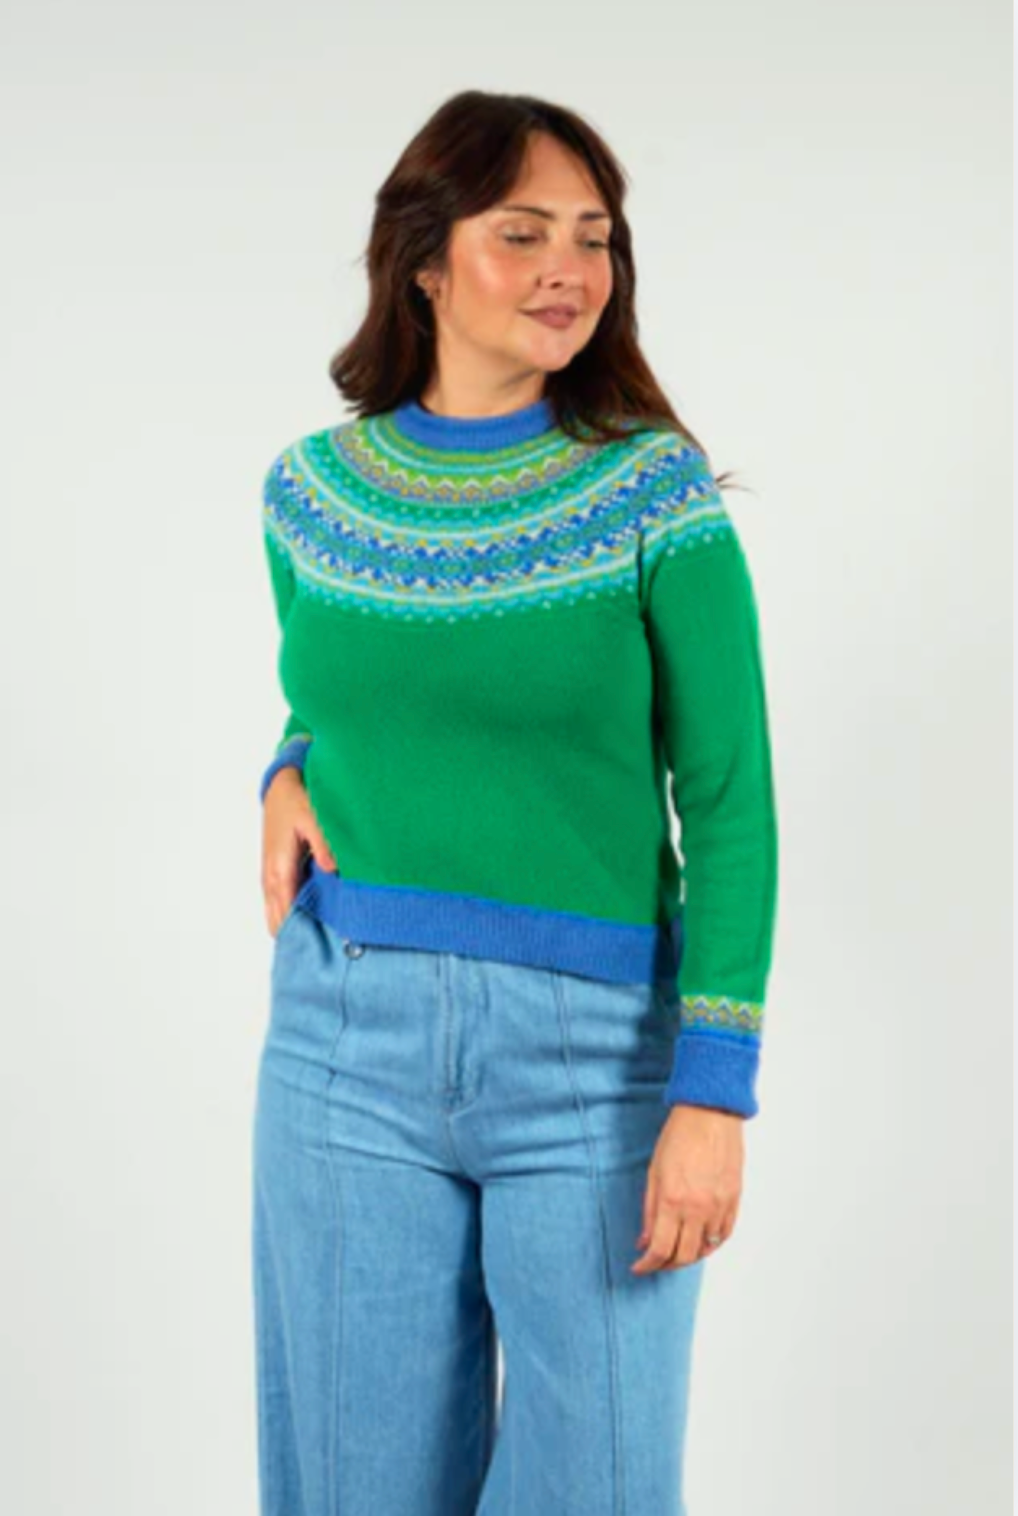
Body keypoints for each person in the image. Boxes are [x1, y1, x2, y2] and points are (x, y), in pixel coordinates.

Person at [251, 89, 778, 1516]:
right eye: (524, 232)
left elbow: (729, 800)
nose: (570, 269)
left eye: (594, 238)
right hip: (342, 1038)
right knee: (353, 1488)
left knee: (596, 1486)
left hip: (592, 1062)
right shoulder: (310, 494)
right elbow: (340, 687)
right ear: (425, 261)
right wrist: (282, 769)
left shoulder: (652, 495)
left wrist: (712, 1091)